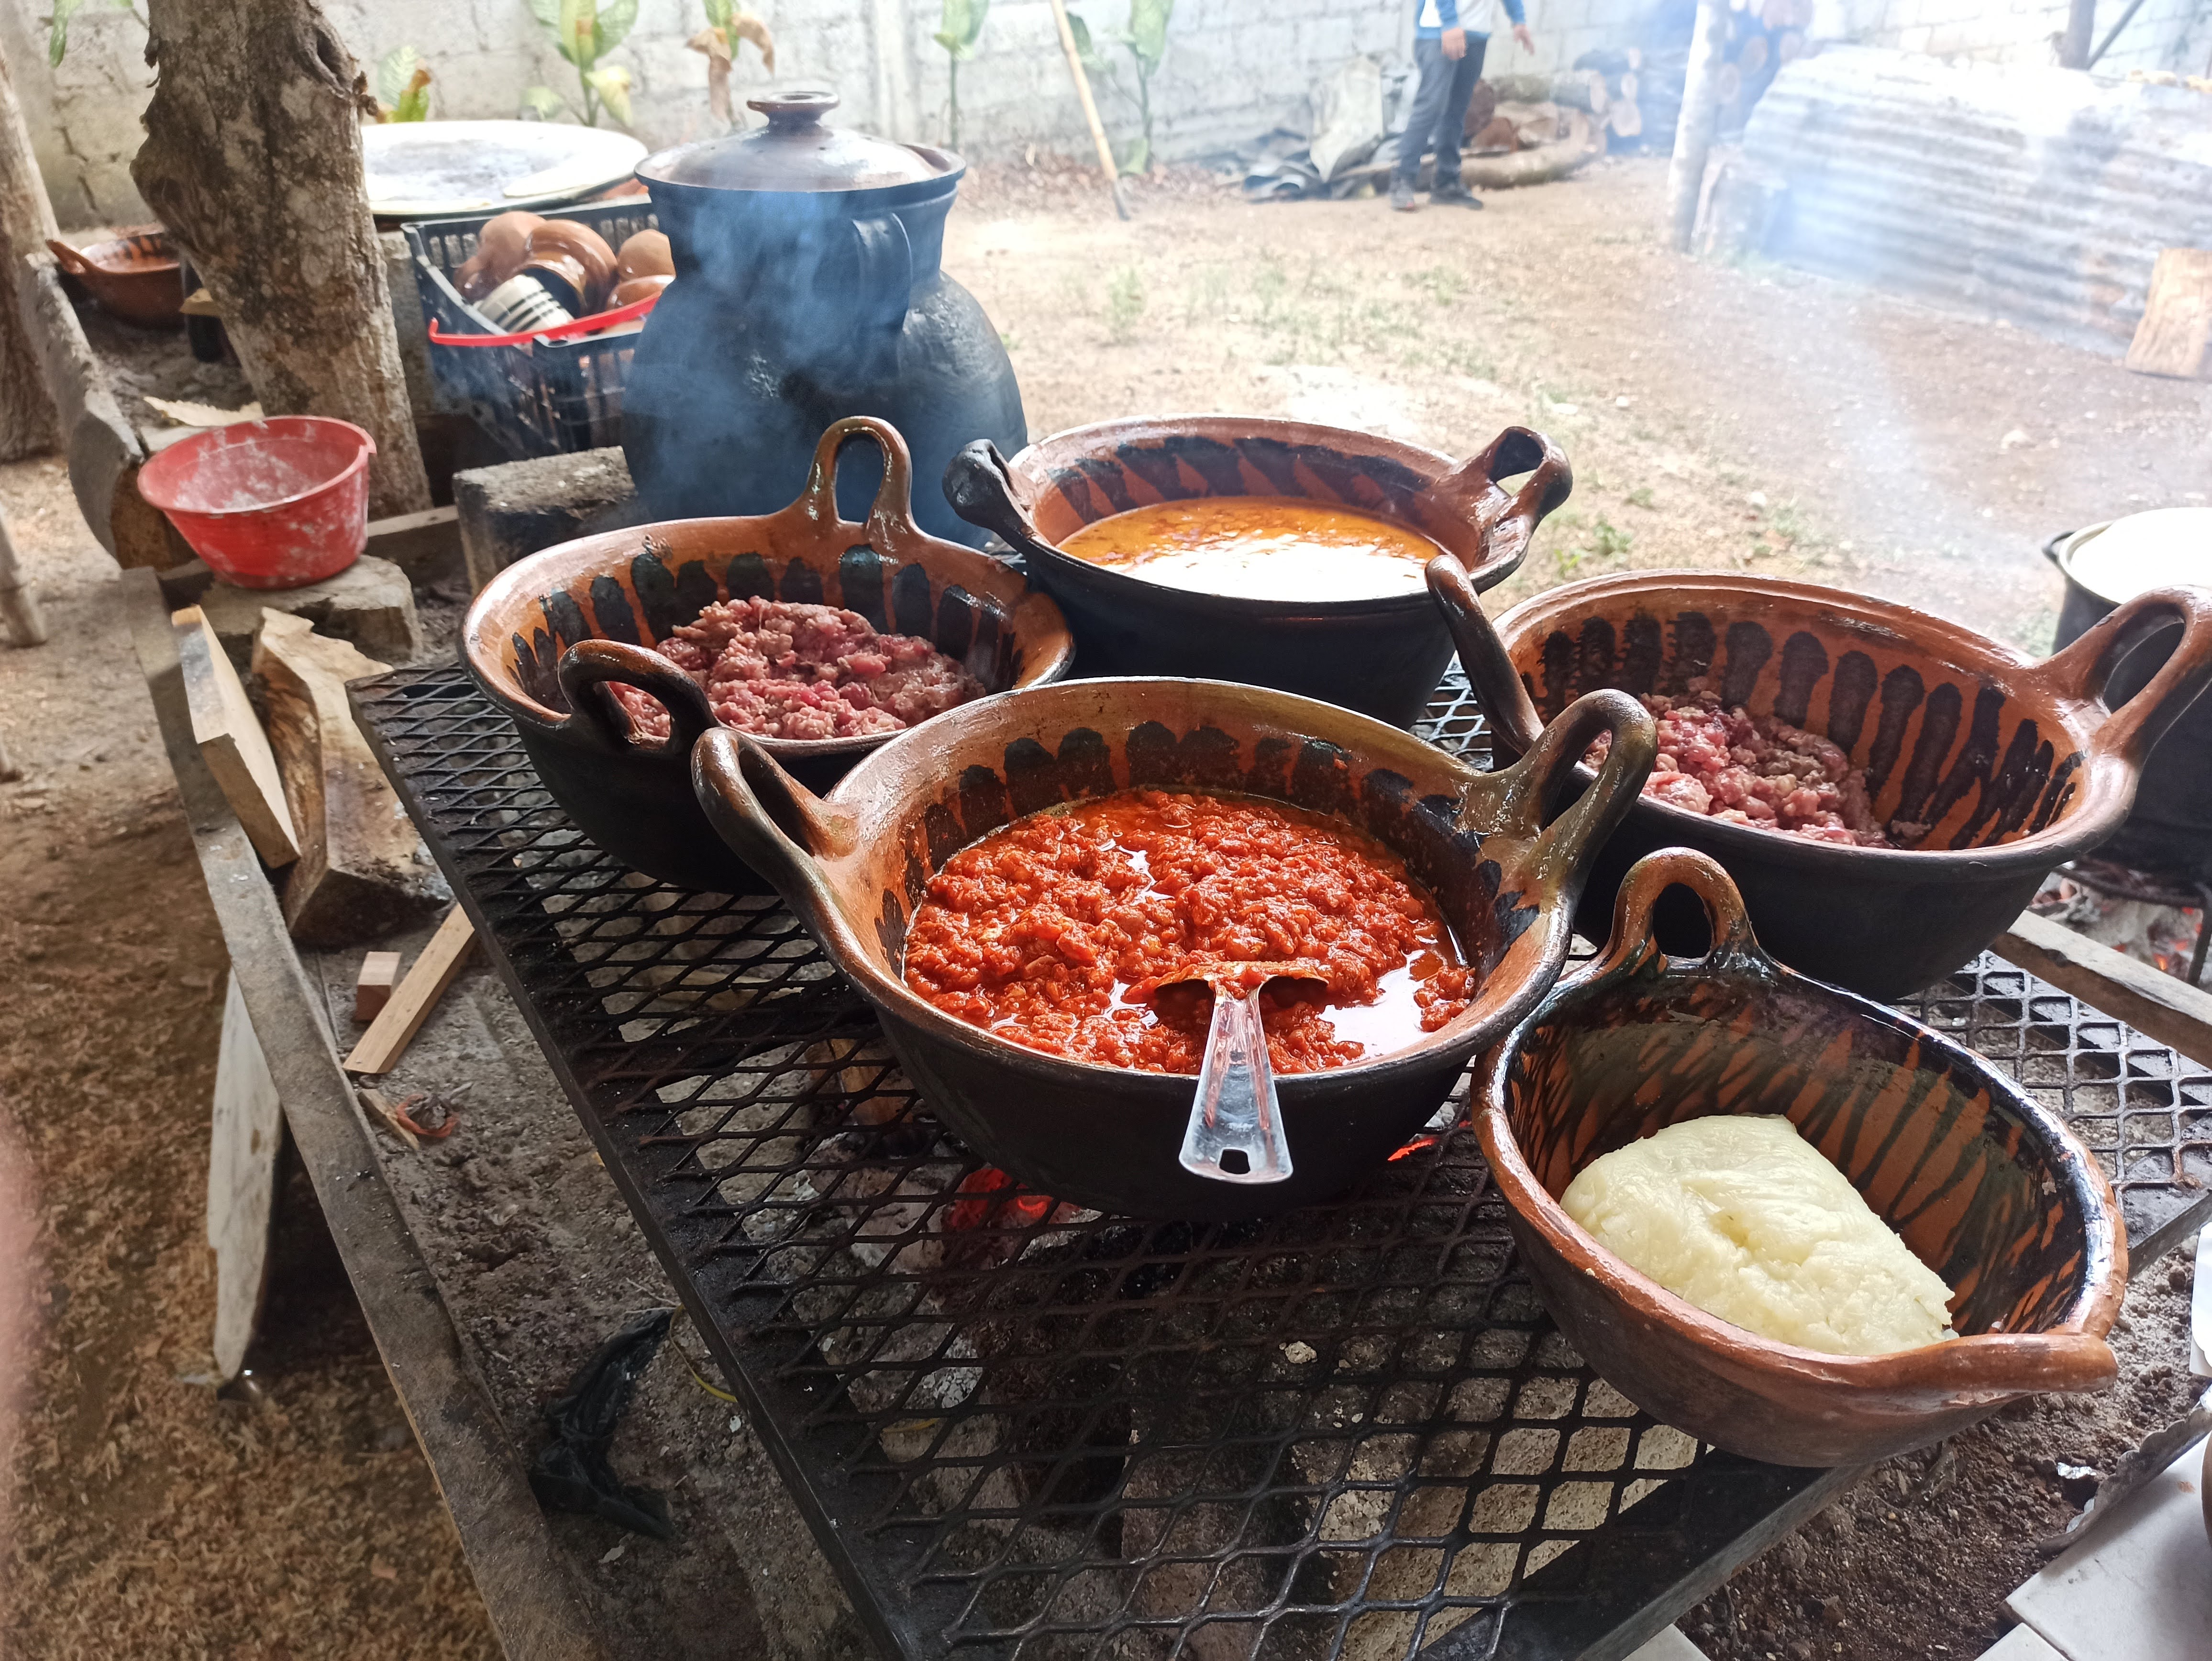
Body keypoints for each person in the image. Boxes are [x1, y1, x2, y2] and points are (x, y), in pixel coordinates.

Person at [1393, 0, 1536, 211]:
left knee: (1457, 110)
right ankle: (1402, 182)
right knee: (1431, 106)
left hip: (1476, 32)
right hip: (1439, 30)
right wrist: (1450, 23)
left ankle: (1447, 183)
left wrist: (1519, 20)